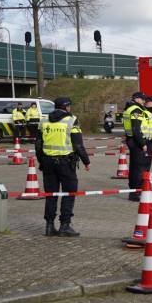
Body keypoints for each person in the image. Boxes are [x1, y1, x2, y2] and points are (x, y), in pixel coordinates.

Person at [35, 97, 90, 237]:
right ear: (66, 107)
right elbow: (78, 145)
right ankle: (65, 226)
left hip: (47, 162)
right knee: (69, 193)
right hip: (65, 163)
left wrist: (41, 161)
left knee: (51, 195)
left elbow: (38, 145)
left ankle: (49, 226)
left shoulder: (44, 120)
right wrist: (86, 161)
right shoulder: (71, 120)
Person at [123, 92, 149, 201]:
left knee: (134, 167)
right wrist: (142, 143)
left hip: (131, 139)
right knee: (138, 168)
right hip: (136, 141)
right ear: (137, 99)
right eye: (142, 99)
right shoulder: (136, 110)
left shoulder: (128, 109)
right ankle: (136, 192)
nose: (144, 102)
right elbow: (136, 129)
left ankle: (133, 191)